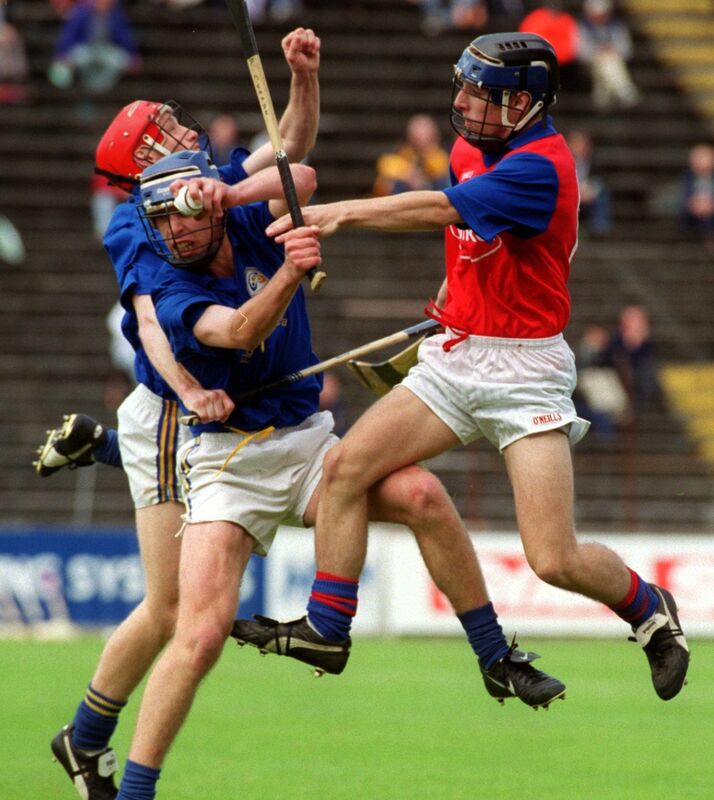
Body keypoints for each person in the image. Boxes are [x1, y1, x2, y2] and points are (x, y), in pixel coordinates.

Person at [248, 32, 690, 706]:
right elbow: (468, 244)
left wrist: (341, 212)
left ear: (524, 104)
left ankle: (648, 608)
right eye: (462, 87)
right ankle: (328, 628)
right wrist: (451, 302)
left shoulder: (543, 165)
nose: (462, 103)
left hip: (525, 372)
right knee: (345, 469)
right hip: (456, 356)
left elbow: (442, 208)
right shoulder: (467, 147)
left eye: (480, 95)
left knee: (553, 558)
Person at [108, 147, 563, 800]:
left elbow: (305, 179)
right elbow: (238, 331)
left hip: (309, 444)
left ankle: (496, 657)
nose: (173, 231)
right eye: (160, 222)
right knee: (201, 634)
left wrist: (230, 193)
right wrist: (291, 273)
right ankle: (134, 793)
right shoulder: (169, 281)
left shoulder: (240, 222)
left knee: (423, 495)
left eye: (180, 214)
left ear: (204, 205)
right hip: (227, 463)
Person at [43, 28, 324, 800]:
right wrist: (188, 393)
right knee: (173, 610)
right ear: (140, 162)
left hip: (171, 412)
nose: (179, 129)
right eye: (160, 131)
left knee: (170, 610)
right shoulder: (136, 220)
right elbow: (154, 321)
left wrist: (302, 79)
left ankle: (86, 737)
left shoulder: (191, 182)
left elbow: (288, 156)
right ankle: (86, 738)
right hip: (172, 410)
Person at [47, 0, 142, 97]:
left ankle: (101, 92)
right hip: (86, 51)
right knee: (62, 69)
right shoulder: (81, 13)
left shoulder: (116, 15)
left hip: (107, 51)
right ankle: (77, 95)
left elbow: (126, 38)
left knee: (119, 60)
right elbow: (68, 36)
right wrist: (62, 55)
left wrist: (133, 56)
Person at [577, 0, 640, 110]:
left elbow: (626, 49)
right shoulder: (583, 28)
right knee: (607, 63)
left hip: (613, 60)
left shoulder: (616, 27)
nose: (599, 17)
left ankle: (603, 101)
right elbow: (580, 51)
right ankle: (625, 91)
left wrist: (611, 51)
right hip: (589, 63)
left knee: (608, 64)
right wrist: (598, 52)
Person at [373, 113, 450, 197]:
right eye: (417, 133)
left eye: (424, 132)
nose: (421, 138)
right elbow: (386, 164)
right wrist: (408, 174)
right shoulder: (404, 152)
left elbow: (441, 169)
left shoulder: (439, 154)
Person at [565, 128, 612, 236]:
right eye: (575, 143)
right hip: (569, 193)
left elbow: (600, 179)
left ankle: (599, 230)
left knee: (603, 193)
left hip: (587, 194)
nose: (578, 147)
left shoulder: (595, 161)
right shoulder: (562, 160)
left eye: (581, 143)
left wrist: (591, 190)